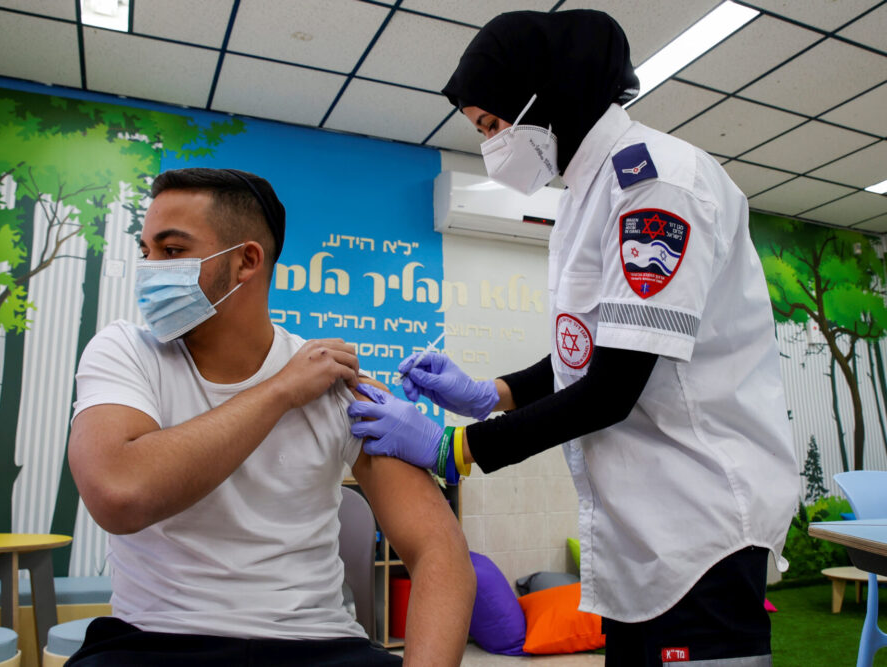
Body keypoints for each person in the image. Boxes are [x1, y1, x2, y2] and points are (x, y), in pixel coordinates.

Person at [348, 9, 798, 666]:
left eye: (494, 126)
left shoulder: (654, 183)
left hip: (698, 526)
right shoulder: (587, 194)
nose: (491, 145)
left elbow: (614, 387)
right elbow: (586, 353)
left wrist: (456, 450)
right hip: (641, 536)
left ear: (546, 99)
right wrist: (488, 392)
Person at [67, 167, 474, 666]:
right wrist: (279, 391)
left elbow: (441, 550)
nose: (151, 268)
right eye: (146, 251)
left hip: (316, 646)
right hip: (155, 642)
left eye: (171, 252)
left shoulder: (333, 382)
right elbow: (119, 494)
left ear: (246, 261)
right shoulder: (125, 351)